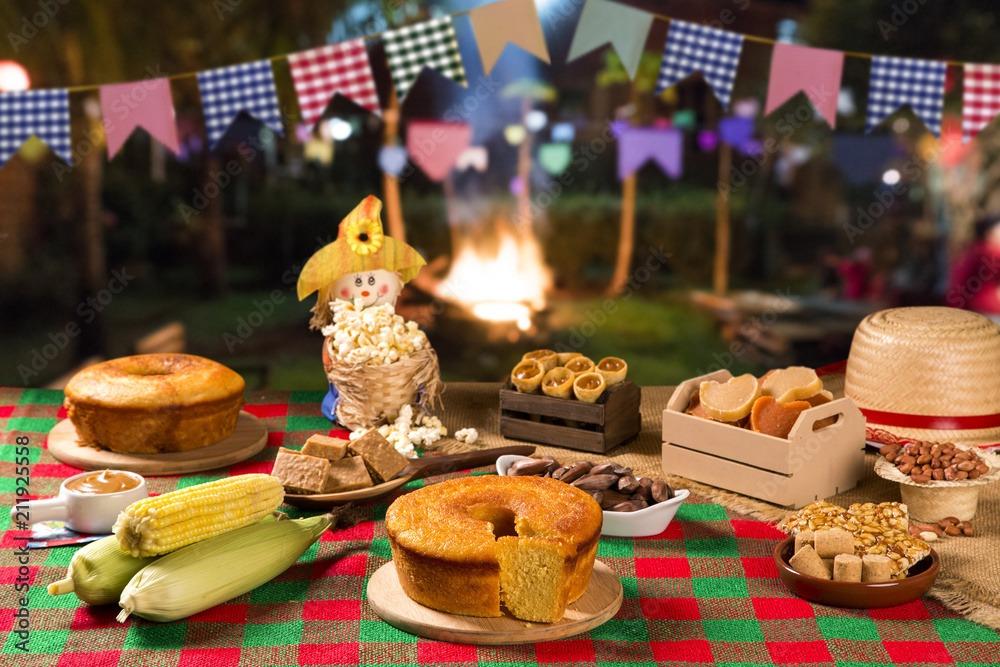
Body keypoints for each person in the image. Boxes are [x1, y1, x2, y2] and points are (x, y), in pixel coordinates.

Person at [948, 215, 1000, 318]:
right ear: (989, 233)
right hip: (985, 312)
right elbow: (960, 284)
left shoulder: (975, 252)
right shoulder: (985, 253)